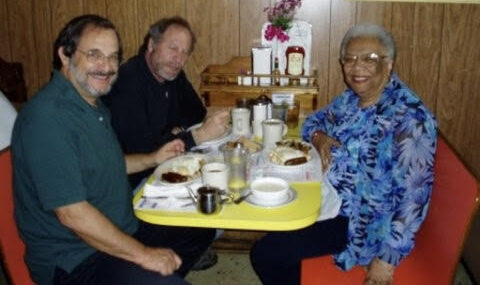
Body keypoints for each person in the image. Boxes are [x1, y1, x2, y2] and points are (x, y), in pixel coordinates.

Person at [11, 15, 215, 285]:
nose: (106, 66)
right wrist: (144, 255)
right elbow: (73, 214)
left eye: (113, 57)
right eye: (94, 54)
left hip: (121, 228)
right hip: (76, 258)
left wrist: (153, 158)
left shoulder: (92, 105)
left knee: (198, 229)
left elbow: (107, 163)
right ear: (65, 55)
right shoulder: (47, 119)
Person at [250, 24, 437, 285]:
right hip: (329, 197)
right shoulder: (351, 100)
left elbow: (414, 197)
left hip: (358, 221)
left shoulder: (409, 119)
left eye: (369, 59)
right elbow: (314, 121)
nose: (357, 67)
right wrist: (319, 137)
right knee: (273, 203)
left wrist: (387, 257)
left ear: (389, 64)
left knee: (266, 254)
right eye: (349, 59)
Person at [102, 16, 230, 188]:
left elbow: (197, 113)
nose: (179, 58)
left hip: (163, 170)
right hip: (134, 185)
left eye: (185, 52)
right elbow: (146, 154)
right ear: (151, 45)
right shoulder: (127, 82)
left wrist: (173, 132)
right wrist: (199, 136)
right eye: (173, 48)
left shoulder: (170, 73)